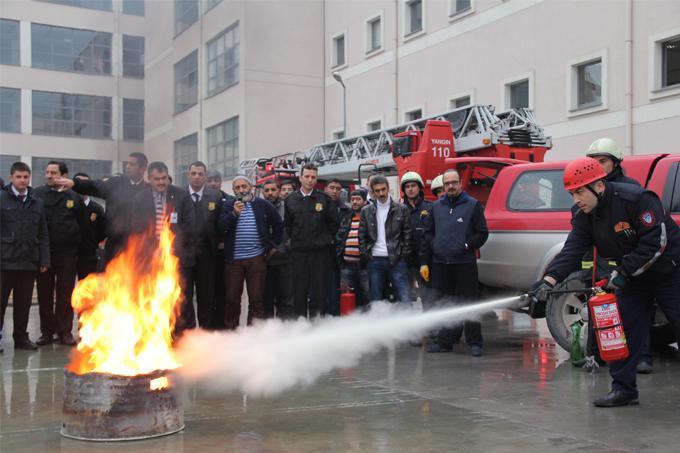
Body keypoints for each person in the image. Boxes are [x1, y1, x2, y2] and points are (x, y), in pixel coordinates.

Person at [530, 156, 680, 407]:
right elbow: (573, 249)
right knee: (624, 332)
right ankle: (624, 390)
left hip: (669, 272)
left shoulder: (637, 200)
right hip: (633, 277)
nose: (576, 199)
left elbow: (656, 244)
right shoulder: (584, 214)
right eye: (571, 194)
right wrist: (549, 280)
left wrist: (622, 273)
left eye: (579, 192)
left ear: (598, 186)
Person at [420, 169, 489, 356]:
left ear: (460, 183)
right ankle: (444, 342)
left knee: (469, 302)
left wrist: (467, 245)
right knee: (444, 303)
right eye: (447, 183)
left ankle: (475, 342)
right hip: (441, 264)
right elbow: (428, 232)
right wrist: (435, 245)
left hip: (465, 263)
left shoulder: (473, 205)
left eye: (454, 182)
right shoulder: (436, 207)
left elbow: (482, 233)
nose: (450, 186)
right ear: (443, 185)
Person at [130, 162, 196, 334]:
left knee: (181, 297)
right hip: (150, 257)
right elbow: (137, 228)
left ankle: (183, 334)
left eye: (164, 178)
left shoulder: (181, 196)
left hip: (177, 255)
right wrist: (152, 249)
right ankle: (156, 332)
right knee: (152, 294)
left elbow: (189, 225)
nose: (161, 182)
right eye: (157, 179)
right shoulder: (140, 199)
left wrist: (170, 248)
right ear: (149, 179)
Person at [56, 152, 149, 263]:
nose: (127, 167)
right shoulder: (116, 183)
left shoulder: (148, 190)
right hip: (115, 245)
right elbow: (95, 186)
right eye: (127, 163)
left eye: (132, 164)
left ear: (143, 168)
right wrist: (75, 183)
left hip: (139, 245)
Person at [33, 161, 88, 346]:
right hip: (45, 252)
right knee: (45, 293)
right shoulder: (38, 195)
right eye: (47, 172)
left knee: (65, 293)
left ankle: (64, 332)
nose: (49, 175)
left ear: (63, 175)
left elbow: (82, 224)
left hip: (67, 252)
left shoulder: (73, 197)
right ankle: (47, 332)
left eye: (53, 172)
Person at [218, 175, 283, 329]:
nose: (241, 190)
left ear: (251, 187)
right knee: (232, 298)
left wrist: (273, 246)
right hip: (234, 261)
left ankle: (254, 333)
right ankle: (232, 331)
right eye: (237, 188)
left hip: (257, 259)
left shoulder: (262, 204)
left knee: (256, 298)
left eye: (244, 186)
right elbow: (220, 227)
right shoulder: (229, 205)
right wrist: (234, 214)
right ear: (234, 191)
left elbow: (278, 224)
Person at [0, 162, 50, 351]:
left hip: (29, 262)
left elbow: (43, 233)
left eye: (25, 177)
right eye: (19, 177)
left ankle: (21, 338)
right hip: (5, 261)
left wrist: (44, 260)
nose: (22, 180)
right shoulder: (2, 198)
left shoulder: (36, 202)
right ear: (11, 177)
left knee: (24, 304)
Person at [285, 164, 339, 317]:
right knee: (299, 292)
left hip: (320, 254)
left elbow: (334, 223)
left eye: (313, 177)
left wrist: (324, 240)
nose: (310, 180)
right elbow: (288, 226)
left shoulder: (324, 199)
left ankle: (319, 325)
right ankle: (300, 326)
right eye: (307, 176)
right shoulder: (290, 200)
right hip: (299, 254)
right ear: (300, 178)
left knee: (320, 293)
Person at [359, 174, 412, 304]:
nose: (381, 193)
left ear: (388, 188)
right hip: (375, 260)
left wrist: (403, 254)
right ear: (372, 192)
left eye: (383, 189)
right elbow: (361, 236)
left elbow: (408, 235)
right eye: (377, 191)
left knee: (405, 298)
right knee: (376, 300)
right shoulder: (366, 211)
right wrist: (366, 253)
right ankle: (380, 323)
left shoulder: (401, 209)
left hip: (397, 259)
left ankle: (408, 323)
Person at [185, 162, 223, 329]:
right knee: (185, 296)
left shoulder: (215, 196)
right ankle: (189, 331)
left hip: (207, 255)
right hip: (185, 255)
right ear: (188, 175)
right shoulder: (180, 195)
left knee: (206, 296)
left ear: (205, 176)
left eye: (200, 174)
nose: (197, 177)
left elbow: (219, 224)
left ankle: (206, 331)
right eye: (194, 173)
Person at [206, 170, 235, 328]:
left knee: (225, 291)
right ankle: (209, 326)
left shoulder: (230, 200)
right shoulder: (200, 200)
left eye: (216, 180)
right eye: (210, 180)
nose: (213, 183)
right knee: (209, 291)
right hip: (207, 253)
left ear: (221, 181)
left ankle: (223, 325)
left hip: (225, 254)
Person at [262, 180, 294, 319]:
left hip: (285, 262)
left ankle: (286, 333)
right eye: (267, 190)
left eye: (273, 189)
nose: (270, 193)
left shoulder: (288, 208)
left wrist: (279, 249)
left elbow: (296, 233)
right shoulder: (257, 208)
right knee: (266, 302)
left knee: (286, 301)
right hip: (264, 262)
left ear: (279, 191)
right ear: (263, 192)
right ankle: (268, 334)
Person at [400, 171, 433, 306]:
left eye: (413, 185)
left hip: (424, 261)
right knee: (405, 296)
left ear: (419, 187)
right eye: (407, 187)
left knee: (428, 297)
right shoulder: (398, 209)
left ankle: (430, 326)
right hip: (405, 261)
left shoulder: (430, 207)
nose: (410, 189)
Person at [336, 189, 370, 307]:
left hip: (364, 266)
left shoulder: (370, 218)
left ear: (365, 201)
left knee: (367, 297)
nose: (355, 202)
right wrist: (341, 262)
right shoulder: (346, 218)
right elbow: (339, 240)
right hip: (347, 267)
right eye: (353, 199)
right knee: (347, 298)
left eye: (358, 199)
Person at [72, 173, 106, 280]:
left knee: (87, 288)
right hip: (70, 254)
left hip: (89, 255)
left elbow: (103, 231)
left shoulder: (97, 208)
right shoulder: (67, 205)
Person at [325, 178, 350, 316]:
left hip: (341, 257)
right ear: (326, 189)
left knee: (340, 292)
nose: (334, 191)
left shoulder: (347, 209)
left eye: (337, 188)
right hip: (322, 255)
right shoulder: (318, 206)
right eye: (332, 187)